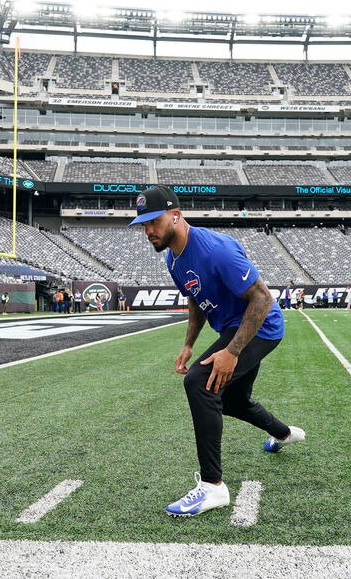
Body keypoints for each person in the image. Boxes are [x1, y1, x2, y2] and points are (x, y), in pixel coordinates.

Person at [130, 186, 304, 518]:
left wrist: (232, 352)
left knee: (199, 382)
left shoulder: (214, 249)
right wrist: (189, 343)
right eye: (143, 225)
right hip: (231, 327)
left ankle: (213, 486)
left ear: (176, 216)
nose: (148, 231)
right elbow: (195, 299)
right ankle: (283, 433)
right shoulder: (173, 259)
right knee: (233, 400)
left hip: (262, 326)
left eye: (154, 221)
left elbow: (263, 300)